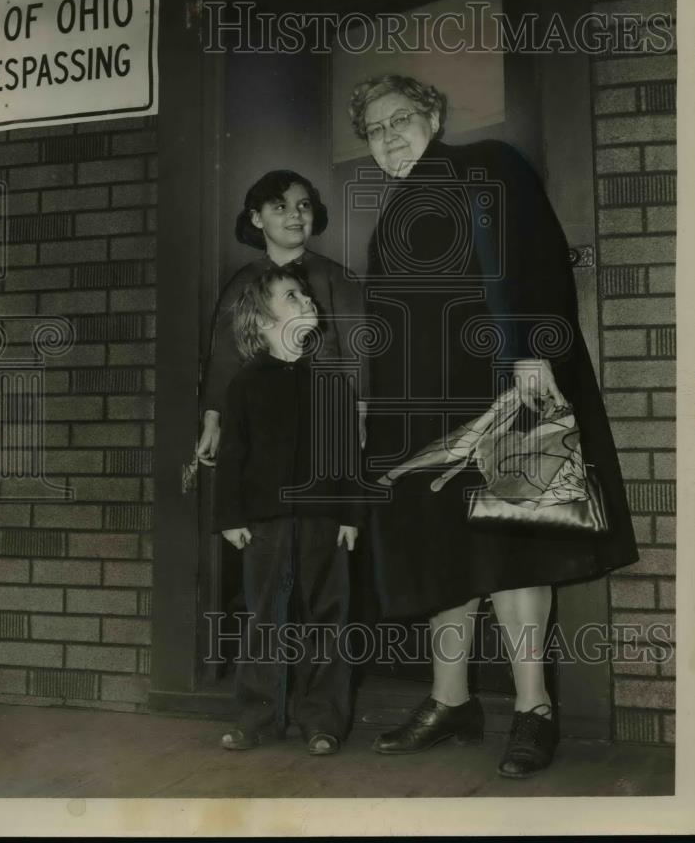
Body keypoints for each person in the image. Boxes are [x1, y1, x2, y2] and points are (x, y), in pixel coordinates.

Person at [347, 74, 638, 777]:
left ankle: (534, 707)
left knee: (512, 544)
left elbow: (532, 259)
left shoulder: (487, 164)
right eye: (374, 130)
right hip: (425, 410)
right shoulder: (391, 211)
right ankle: (451, 701)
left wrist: (531, 352)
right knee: (442, 551)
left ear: (434, 115)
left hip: (500, 388)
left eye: (400, 120)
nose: (388, 137)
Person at [213, 266, 363, 754]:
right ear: (261, 320)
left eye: (307, 294)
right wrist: (230, 518)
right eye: (292, 295)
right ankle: (256, 715)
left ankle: (323, 719)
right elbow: (232, 456)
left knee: (328, 616)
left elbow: (348, 459)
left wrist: (351, 516)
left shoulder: (333, 383)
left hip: (324, 519)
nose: (307, 301)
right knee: (264, 616)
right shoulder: (245, 385)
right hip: (264, 522)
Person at [197, 170, 368, 465]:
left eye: (304, 205)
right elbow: (225, 357)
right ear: (257, 218)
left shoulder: (337, 278)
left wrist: (359, 415)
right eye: (280, 207)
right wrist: (212, 420)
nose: (295, 215)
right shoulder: (242, 283)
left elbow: (359, 353)